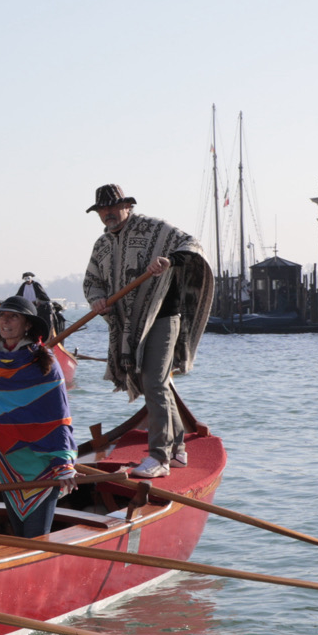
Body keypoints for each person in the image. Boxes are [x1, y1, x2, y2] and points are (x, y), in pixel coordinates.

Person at [82, 183, 214, 479]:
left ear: (127, 206)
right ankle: (178, 449)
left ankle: (159, 457)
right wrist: (97, 299)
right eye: (102, 210)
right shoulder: (102, 245)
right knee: (154, 384)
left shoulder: (156, 229)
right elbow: (91, 281)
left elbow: (191, 245)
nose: (108, 214)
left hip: (163, 317)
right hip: (129, 326)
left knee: (154, 383)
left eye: (113, 208)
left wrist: (169, 261)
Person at [0, 296, 77, 539]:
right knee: (18, 535)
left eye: (13, 316)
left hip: (44, 465)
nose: (5, 320)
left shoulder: (44, 363)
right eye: (2, 315)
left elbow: (59, 417)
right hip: (8, 464)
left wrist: (63, 462)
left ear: (27, 325)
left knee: (35, 538)